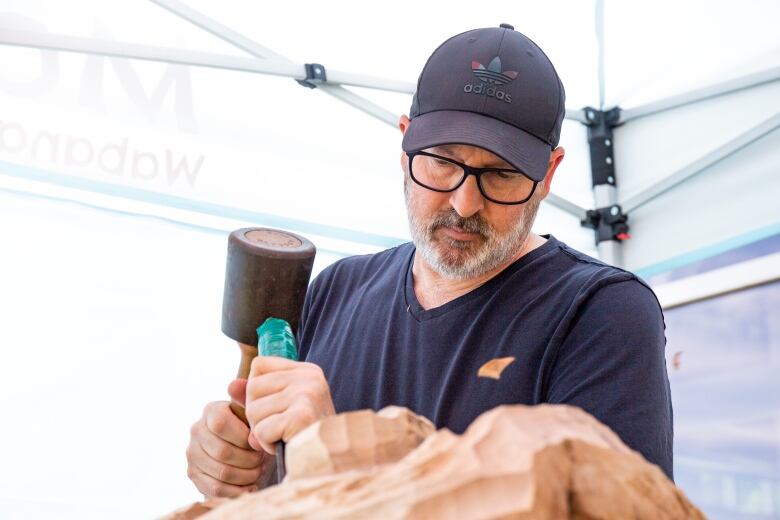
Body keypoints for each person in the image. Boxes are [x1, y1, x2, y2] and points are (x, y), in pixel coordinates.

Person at [186, 24, 673, 498]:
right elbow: (296, 494)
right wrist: (255, 474)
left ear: (548, 174)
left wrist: (341, 451)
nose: (464, 204)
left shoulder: (600, 313)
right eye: (442, 161)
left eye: (500, 174)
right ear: (404, 143)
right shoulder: (336, 292)